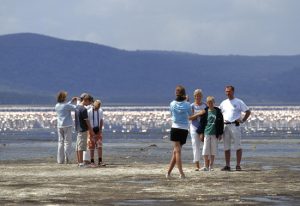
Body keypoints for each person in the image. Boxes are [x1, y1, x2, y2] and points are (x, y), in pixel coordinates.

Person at [219, 86, 251, 171]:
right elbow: (218, 114)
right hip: (225, 126)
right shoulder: (223, 103)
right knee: (226, 146)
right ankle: (227, 165)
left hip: (235, 126)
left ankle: (238, 165)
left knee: (238, 146)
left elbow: (248, 111)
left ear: (233, 91)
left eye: (229, 91)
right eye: (226, 91)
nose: (227, 93)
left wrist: (243, 120)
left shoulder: (239, 102)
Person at [166, 85, 192, 179]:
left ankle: (169, 172)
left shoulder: (172, 104)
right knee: (177, 151)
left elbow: (172, 114)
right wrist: (187, 102)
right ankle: (181, 173)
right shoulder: (187, 104)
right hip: (184, 129)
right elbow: (190, 115)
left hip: (176, 128)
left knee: (176, 152)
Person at [198, 96, 224, 171]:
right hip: (206, 132)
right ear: (207, 103)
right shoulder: (205, 111)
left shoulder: (218, 112)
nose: (210, 104)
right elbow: (202, 123)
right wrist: (201, 133)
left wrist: (220, 133)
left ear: (214, 103)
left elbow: (221, 123)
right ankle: (205, 165)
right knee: (205, 150)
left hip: (214, 133)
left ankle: (211, 165)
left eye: (211, 102)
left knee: (213, 150)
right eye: (209, 103)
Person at [54, 91, 77, 164]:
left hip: (59, 125)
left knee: (60, 142)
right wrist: (79, 101)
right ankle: (68, 159)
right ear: (64, 98)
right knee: (68, 143)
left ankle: (60, 160)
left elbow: (65, 106)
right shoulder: (66, 106)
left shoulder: (57, 105)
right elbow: (76, 108)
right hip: (67, 125)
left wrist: (71, 101)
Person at [75, 93, 95, 167]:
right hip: (83, 129)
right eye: (89, 102)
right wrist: (91, 131)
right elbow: (87, 122)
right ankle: (81, 163)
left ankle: (79, 162)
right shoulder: (83, 109)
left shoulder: (77, 107)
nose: (89, 104)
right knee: (81, 147)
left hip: (78, 129)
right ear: (85, 100)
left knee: (77, 146)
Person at [189, 89, 206, 171]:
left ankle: (206, 164)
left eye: (199, 96)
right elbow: (190, 117)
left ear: (201, 96)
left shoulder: (205, 105)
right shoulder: (192, 106)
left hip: (203, 128)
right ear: (194, 96)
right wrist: (199, 114)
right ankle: (197, 165)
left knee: (205, 146)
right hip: (194, 127)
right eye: (196, 96)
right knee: (195, 146)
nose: (198, 97)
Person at [88, 99, 105, 167]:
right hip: (91, 129)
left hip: (98, 129)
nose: (97, 108)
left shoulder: (100, 111)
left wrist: (100, 130)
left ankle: (100, 161)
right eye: (96, 107)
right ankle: (92, 161)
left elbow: (101, 120)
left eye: (98, 107)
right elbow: (88, 122)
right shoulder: (89, 111)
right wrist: (90, 131)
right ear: (94, 105)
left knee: (99, 146)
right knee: (91, 146)